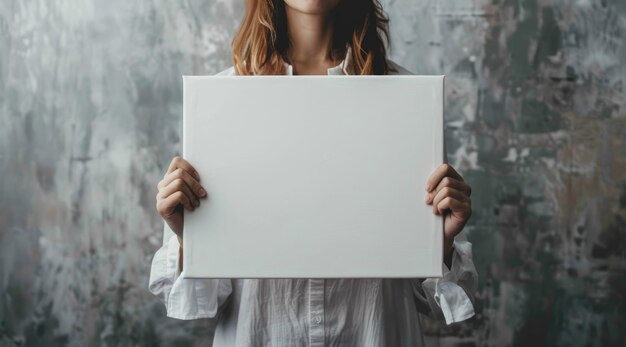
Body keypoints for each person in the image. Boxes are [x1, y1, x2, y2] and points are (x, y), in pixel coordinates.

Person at [149, 0, 477, 346]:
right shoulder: (220, 102)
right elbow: (198, 301)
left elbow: (443, 304)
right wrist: (191, 238)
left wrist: (440, 242)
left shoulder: (410, 100)